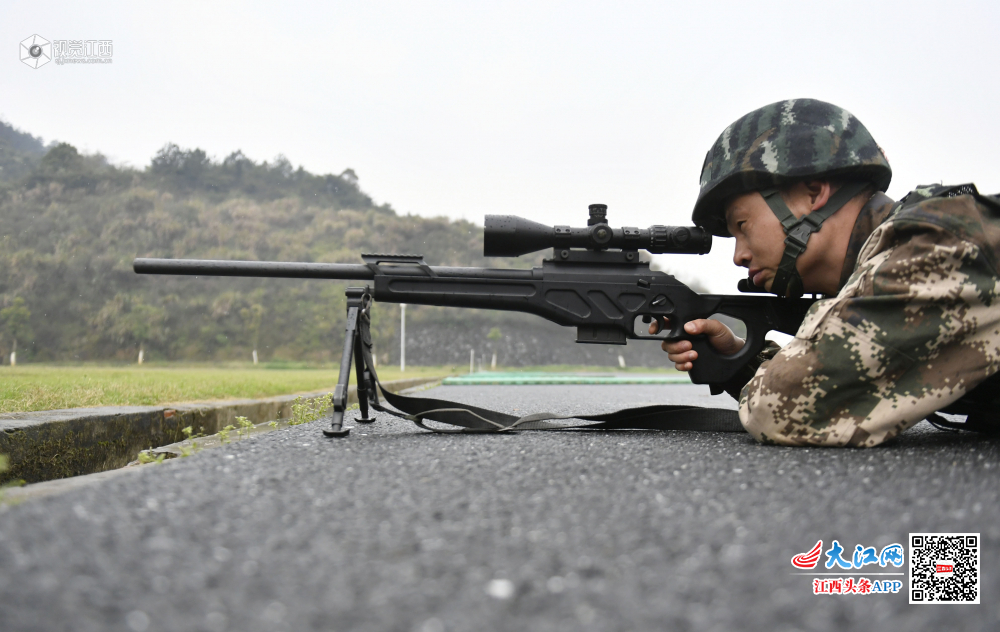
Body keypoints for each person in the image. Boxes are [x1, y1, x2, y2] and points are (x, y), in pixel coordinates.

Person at [656, 98, 1000, 447]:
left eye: (742, 225)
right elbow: (855, 386)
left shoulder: (934, 248)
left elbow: (782, 411)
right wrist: (737, 357)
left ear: (813, 193)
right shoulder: (908, 253)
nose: (739, 255)